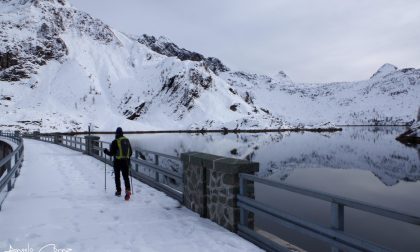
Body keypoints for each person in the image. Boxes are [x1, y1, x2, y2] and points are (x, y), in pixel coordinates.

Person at [104, 127, 133, 200]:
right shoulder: (126, 140)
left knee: (117, 177)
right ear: (122, 133)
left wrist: (105, 151)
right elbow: (131, 152)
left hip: (117, 161)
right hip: (126, 161)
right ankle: (128, 191)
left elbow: (111, 153)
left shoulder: (115, 141)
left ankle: (118, 191)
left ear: (116, 133)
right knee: (126, 177)